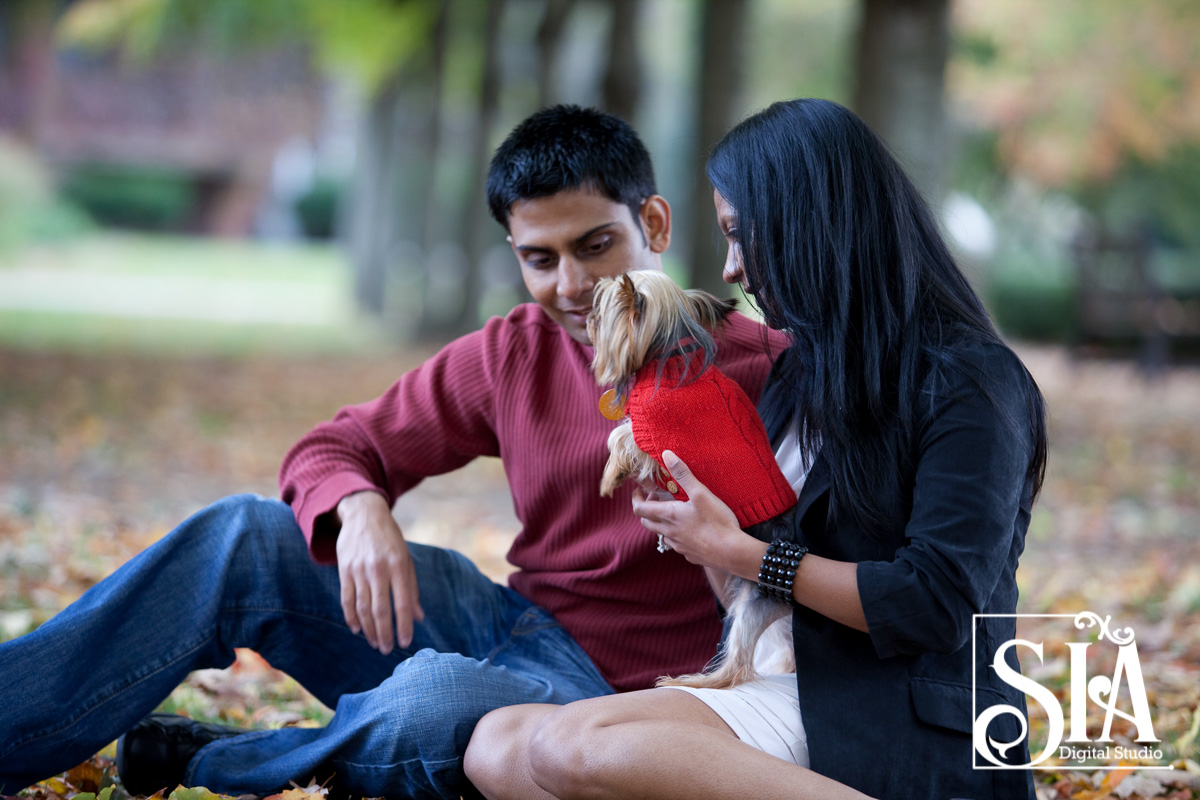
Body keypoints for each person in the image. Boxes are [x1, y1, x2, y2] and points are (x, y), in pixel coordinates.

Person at [0, 105, 785, 800]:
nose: (571, 285)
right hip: (506, 623)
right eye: (539, 259)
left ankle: (235, 760)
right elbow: (334, 446)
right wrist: (360, 505)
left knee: (434, 700)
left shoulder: (767, 369)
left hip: (619, 701)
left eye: (595, 245)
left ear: (653, 223)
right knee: (241, 535)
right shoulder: (513, 351)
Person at [463, 98, 1048, 800]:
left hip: (897, 710)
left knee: (566, 744)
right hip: (786, 681)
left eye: (743, 237)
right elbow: (751, 586)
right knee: (495, 747)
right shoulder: (798, 377)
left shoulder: (971, 382)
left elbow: (934, 603)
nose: (733, 269)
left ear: (814, 226)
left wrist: (744, 552)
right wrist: (704, 532)